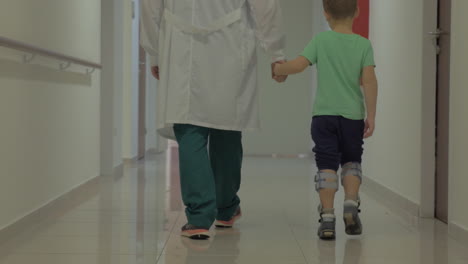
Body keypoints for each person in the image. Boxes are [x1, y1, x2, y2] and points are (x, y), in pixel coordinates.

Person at [140, 0, 287, 240]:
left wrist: (155, 52)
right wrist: (275, 51)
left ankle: (198, 218)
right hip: (230, 43)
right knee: (227, 130)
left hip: (180, 46)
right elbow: (266, 5)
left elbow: (150, 8)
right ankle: (225, 209)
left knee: (189, 132)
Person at [274, 0, 378, 240]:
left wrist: (279, 70)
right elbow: (370, 80)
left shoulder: (321, 40)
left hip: (323, 117)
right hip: (352, 117)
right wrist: (371, 114)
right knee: (352, 160)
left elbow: (299, 66)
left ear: (326, 14)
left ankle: (328, 218)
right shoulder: (364, 45)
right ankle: (351, 204)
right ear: (357, 12)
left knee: (327, 164)